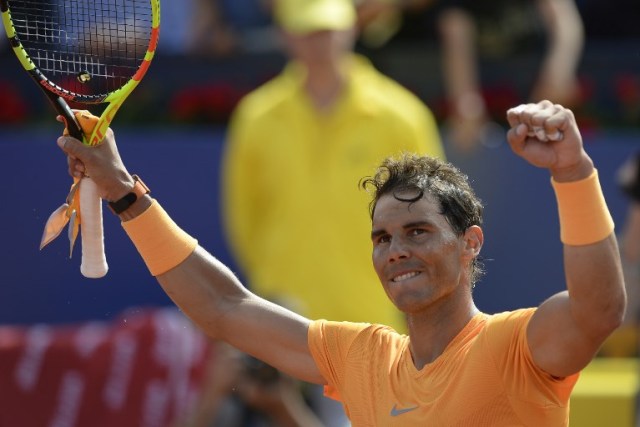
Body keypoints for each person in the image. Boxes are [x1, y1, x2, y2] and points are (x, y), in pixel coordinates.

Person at [56, 100, 625, 425]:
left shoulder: (517, 346)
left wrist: (572, 174)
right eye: (382, 237)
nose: (395, 249)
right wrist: (125, 194)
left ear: (470, 242)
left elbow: (598, 310)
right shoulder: (365, 359)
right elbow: (225, 307)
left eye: (418, 231)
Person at [221, 0, 444, 333]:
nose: (321, 42)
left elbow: (433, 218)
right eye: (308, 31)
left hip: (375, 317)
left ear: (351, 28)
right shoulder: (256, 117)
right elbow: (243, 219)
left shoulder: (401, 116)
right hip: (285, 319)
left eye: (329, 30)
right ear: (285, 36)